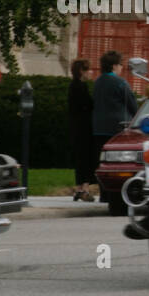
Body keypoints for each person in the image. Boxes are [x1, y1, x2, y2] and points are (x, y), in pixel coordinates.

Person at [92, 49, 138, 171]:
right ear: (114, 66)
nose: (122, 67)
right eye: (121, 64)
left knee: (102, 161)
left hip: (98, 128)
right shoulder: (120, 82)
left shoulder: (97, 82)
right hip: (117, 128)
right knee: (118, 161)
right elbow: (131, 104)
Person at [68, 58, 95, 201]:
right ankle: (84, 189)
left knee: (79, 159)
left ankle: (79, 188)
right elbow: (88, 105)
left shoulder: (73, 86)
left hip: (76, 127)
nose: (91, 72)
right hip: (83, 128)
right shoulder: (81, 87)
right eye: (88, 69)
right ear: (81, 71)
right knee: (85, 158)